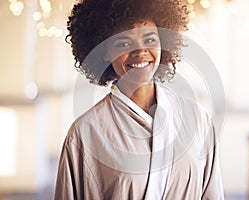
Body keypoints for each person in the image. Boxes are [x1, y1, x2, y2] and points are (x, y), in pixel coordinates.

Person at [54, 0, 224, 199]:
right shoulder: (84, 134)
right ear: (104, 52)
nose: (140, 52)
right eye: (124, 43)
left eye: (150, 39)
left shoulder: (197, 119)